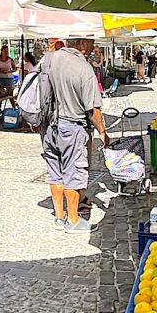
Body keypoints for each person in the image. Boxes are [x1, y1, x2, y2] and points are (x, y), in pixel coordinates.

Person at [40, 38, 109, 232]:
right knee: (73, 173)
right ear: (83, 44)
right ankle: (73, 220)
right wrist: (103, 133)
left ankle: (59, 217)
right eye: (91, 43)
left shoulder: (50, 59)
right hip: (73, 126)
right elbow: (93, 110)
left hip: (50, 126)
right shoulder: (83, 68)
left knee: (55, 172)